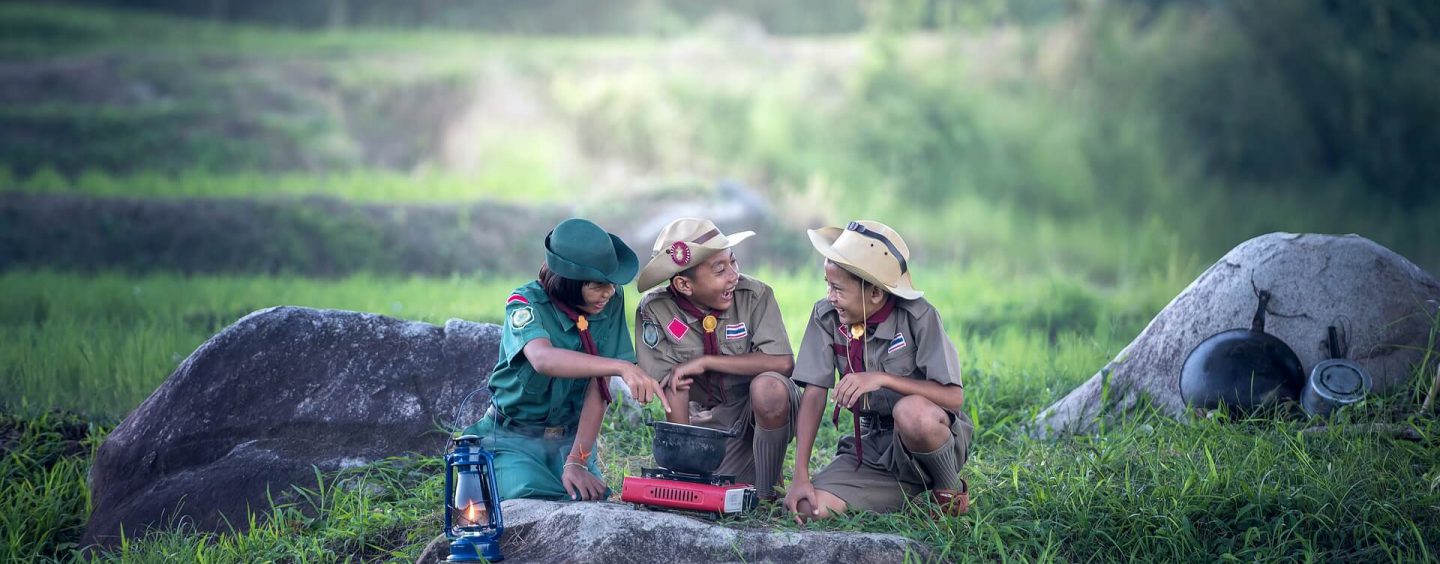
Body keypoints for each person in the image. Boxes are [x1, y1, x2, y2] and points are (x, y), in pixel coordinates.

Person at [462, 218, 669, 502]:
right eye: (598, 285)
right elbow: (543, 359)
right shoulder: (525, 302)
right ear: (568, 283)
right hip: (513, 441)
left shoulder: (609, 300)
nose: (608, 292)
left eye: (612, 284)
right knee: (530, 500)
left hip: (570, 442)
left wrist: (577, 461)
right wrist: (622, 366)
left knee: (587, 503)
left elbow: (600, 390)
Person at [784, 220, 973, 522]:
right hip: (873, 449)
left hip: (928, 439)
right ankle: (906, 496)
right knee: (808, 510)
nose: (830, 296)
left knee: (911, 412)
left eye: (837, 288)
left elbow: (953, 398)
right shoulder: (826, 316)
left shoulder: (919, 317)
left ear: (874, 293)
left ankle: (946, 493)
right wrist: (800, 475)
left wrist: (883, 379)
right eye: (827, 285)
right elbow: (815, 393)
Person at [632, 218, 797, 500]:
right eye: (720, 269)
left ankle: (770, 488)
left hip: (755, 410)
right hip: (710, 420)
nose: (733, 275)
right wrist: (681, 468)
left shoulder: (755, 296)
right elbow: (672, 385)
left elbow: (782, 362)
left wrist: (707, 362)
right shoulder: (656, 310)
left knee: (769, 389)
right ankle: (744, 471)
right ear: (684, 284)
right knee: (705, 485)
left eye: (733, 262)